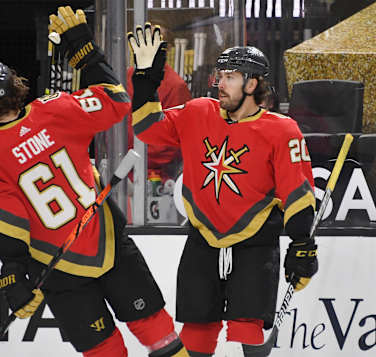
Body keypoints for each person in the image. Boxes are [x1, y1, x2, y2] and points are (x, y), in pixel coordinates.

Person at [0, 7, 189, 357]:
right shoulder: (53, 109)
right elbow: (116, 99)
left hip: (51, 263)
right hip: (107, 241)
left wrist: (13, 271)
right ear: (14, 87)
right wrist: (83, 48)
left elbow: (6, 218)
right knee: (159, 334)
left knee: (104, 352)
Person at [128, 23, 318, 357]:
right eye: (220, 75)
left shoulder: (282, 130)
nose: (219, 83)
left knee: (248, 329)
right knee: (197, 328)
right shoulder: (198, 111)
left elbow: (297, 193)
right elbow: (147, 128)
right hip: (203, 238)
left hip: (255, 242)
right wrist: (146, 80)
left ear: (252, 83)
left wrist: (302, 245)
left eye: (230, 76)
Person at [126, 23, 192, 187]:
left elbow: (170, 142)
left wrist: (137, 160)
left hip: (156, 177)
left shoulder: (176, 86)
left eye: (156, 42)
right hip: (122, 169)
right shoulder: (127, 77)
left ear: (167, 49)